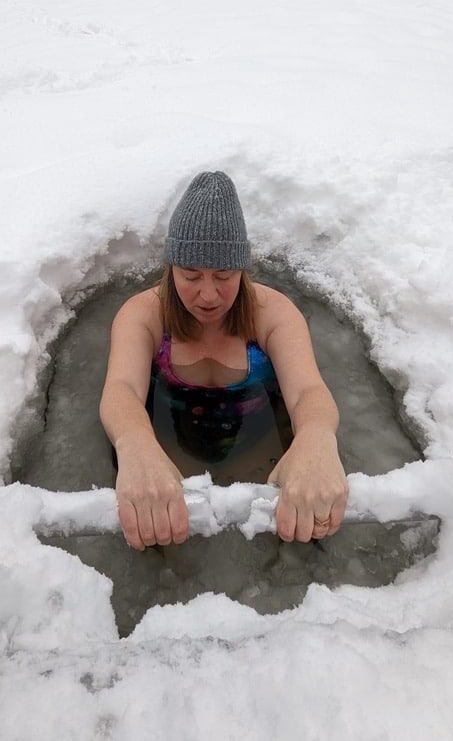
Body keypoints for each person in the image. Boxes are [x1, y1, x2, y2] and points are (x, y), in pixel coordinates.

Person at [99, 171, 349, 552]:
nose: (208, 295)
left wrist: (316, 438)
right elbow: (122, 389)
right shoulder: (145, 313)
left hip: (261, 457)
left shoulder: (272, 312)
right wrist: (134, 445)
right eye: (191, 275)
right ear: (171, 269)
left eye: (223, 275)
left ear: (242, 269)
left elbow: (307, 391)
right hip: (169, 458)